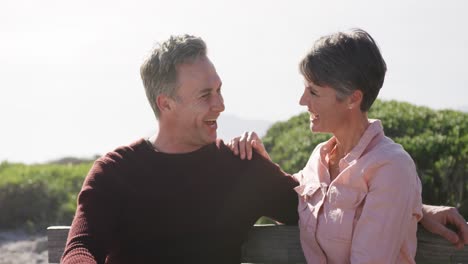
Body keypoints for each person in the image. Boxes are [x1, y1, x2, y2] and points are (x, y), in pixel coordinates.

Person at [62, 34, 468, 264]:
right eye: (205, 95)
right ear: (165, 103)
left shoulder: (240, 166)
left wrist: (418, 208)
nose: (220, 105)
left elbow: (321, 207)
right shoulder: (115, 172)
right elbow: (80, 249)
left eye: (219, 89)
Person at [228, 28, 468, 263]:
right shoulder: (318, 159)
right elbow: (298, 206)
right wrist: (261, 161)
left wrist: (411, 206)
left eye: (313, 91)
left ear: (353, 98)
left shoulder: (391, 167)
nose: (302, 101)